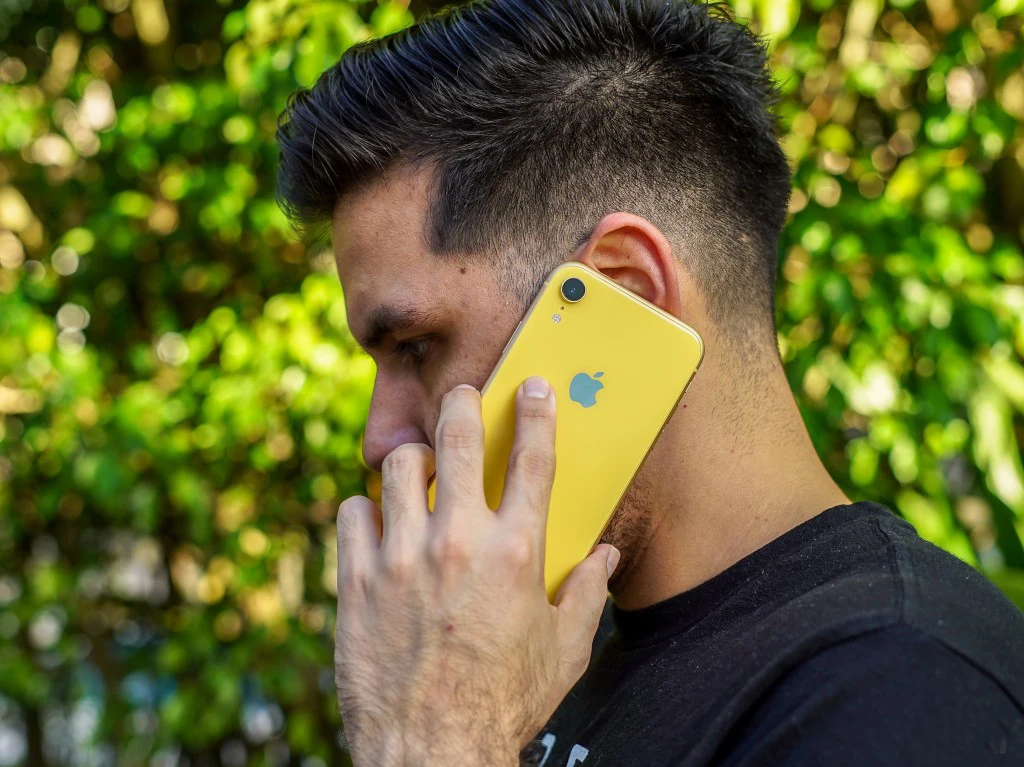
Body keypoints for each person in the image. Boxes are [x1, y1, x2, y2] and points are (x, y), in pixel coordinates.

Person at [274, 0, 1024, 764]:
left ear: (625, 292)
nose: (379, 438)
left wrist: (436, 741)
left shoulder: (901, 688)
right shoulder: (531, 643)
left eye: (415, 346)